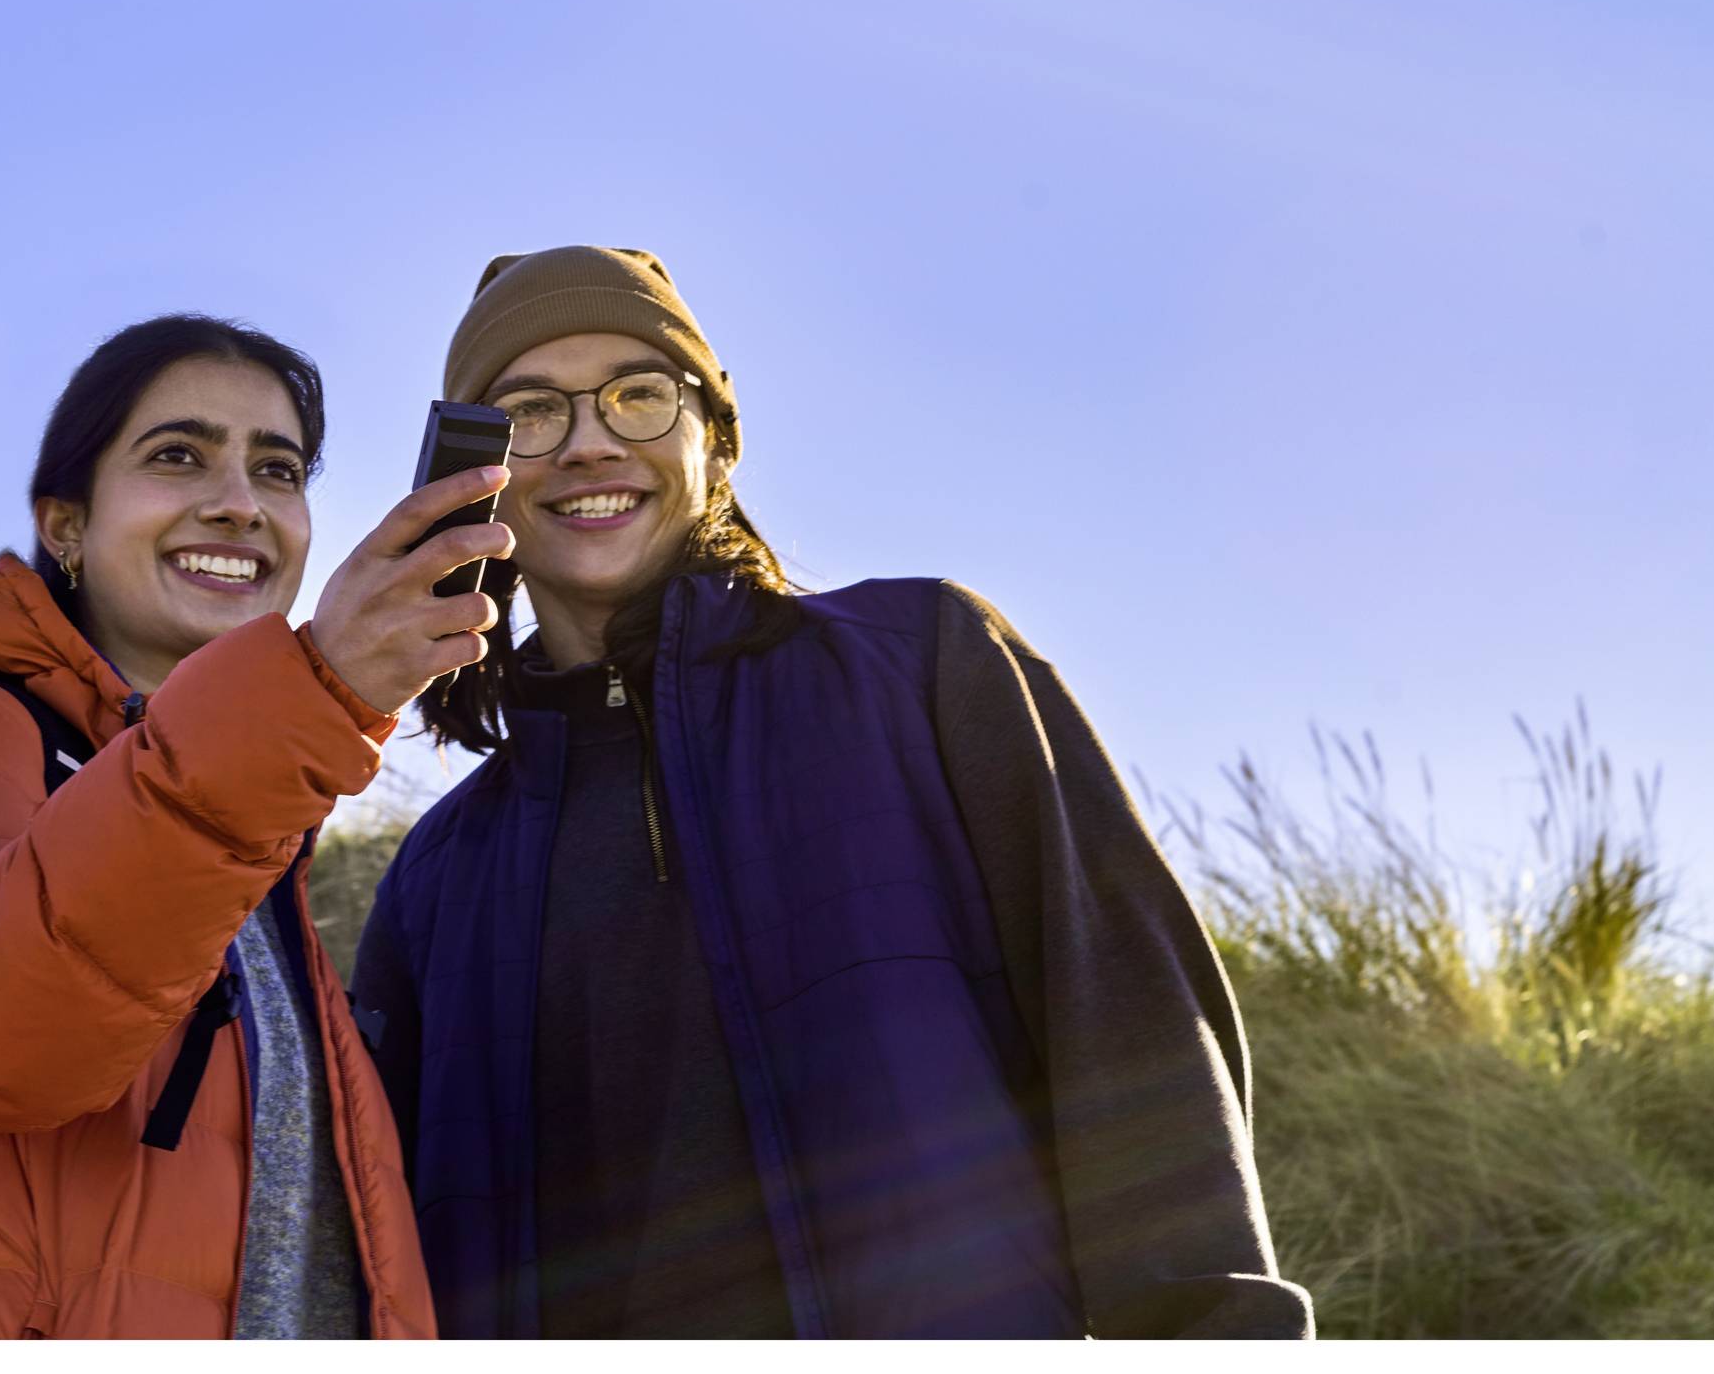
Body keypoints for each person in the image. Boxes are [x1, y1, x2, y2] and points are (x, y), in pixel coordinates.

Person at [347, 249, 1314, 1340]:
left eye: (639, 394)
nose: (589, 441)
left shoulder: (930, 667)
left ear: (714, 439)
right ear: (472, 474)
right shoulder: (438, 879)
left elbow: (1138, 1058)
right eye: (528, 411)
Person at [0, 313, 513, 1338]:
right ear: (67, 524)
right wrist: (315, 688)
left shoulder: (259, 825)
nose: (238, 504)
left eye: (277, 471)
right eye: (178, 455)